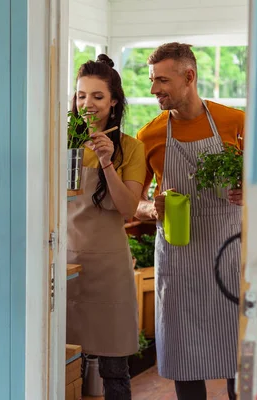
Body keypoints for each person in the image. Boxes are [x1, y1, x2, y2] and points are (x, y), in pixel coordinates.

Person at [135, 42, 244, 400]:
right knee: (183, 352)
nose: (154, 90)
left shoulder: (236, 123)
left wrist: (254, 194)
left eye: (162, 80)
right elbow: (134, 200)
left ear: (190, 76)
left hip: (229, 252)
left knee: (238, 350)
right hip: (180, 257)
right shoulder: (149, 135)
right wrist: (153, 208)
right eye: (152, 80)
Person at [67, 54, 146, 400]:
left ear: (114, 101)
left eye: (97, 96)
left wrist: (106, 162)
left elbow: (128, 208)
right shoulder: (61, 144)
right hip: (66, 265)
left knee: (115, 370)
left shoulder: (130, 148)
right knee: (69, 364)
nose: (88, 104)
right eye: (81, 95)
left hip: (110, 266)